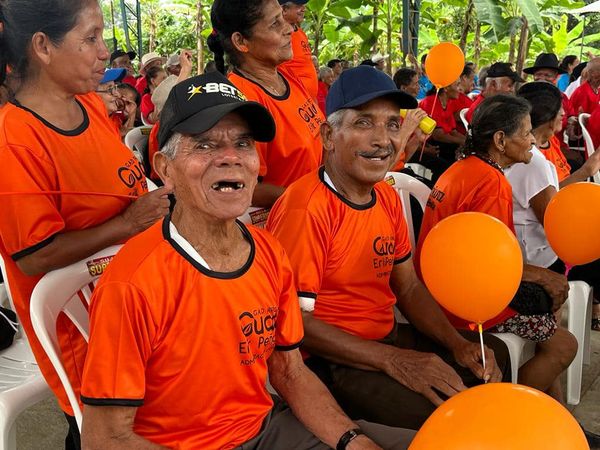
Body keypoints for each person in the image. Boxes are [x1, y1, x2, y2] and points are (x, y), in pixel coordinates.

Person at [80, 71, 415, 450]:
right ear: (165, 169)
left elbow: (290, 372)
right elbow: (104, 438)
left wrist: (352, 441)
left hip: (267, 429)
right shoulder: (132, 283)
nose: (231, 158)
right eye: (204, 145)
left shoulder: (269, 253)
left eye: (243, 143)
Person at [266, 67, 510, 431]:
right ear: (329, 136)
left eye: (393, 125)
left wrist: (455, 343)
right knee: (442, 416)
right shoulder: (305, 208)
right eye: (364, 123)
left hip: (384, 336)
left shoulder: (385, 196)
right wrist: (395, 360)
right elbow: (295, 323)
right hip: (329, 359)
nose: (383, 140)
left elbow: (407, 286)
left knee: (490, 356)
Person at [0, 1, 171, 448]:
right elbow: (35, 256)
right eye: (91, 37)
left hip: (138, 307)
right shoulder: (14, 140)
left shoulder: (90, 106)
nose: (104, 50)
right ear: (43, 47)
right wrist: (128, 224)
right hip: (85, 337)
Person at [415, 95, 592, 430]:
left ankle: (551, 419)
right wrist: (544, 277)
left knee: (548, 316)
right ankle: (500, 412)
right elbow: (487, 261)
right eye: (525, 133)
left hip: (443, 287)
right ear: (500, 140)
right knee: (563, 346)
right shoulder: (491, 181)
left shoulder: (462, 167)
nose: (532, 141)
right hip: (466, 303)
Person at [209, 0, 325, 207]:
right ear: (241, 41)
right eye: (275, 24)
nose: (289, 30)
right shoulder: (241, 103)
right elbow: (244, 185)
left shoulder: (287, 78)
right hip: (288, 217)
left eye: (283, 18)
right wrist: (308, 200)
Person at [506, 82, 600, 336]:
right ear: (548, 118)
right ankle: (573, 322)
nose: (564, 114)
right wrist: (586, 172)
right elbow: (556, 225)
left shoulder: (537, 149)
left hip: (531, 250)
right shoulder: (532, 161)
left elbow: (551, 195)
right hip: (540, 259)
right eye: (560, 110)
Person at [279, 0, 318, 99]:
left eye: (303, 5)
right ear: (284, 10)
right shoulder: (278, 35)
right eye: (298, 6)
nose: (304, 9)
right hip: (294, 98)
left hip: (308, 100)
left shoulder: (300, 33)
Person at [419, 80, 466, 161]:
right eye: (457, 85)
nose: (460, 89)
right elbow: (438, 136)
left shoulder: (449, 103)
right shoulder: (431, 102)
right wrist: (463, 142)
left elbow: (453, 131)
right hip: (426, 146)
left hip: (442, 143)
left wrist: (468, 141)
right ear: (446, 88)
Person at [95, 68, 136, 139]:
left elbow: (126, 141)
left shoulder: (115, 119)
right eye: (110, 89)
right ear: (92, 94)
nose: (117, 94)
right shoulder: (89, 123)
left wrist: (132, 115)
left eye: (115, 88)